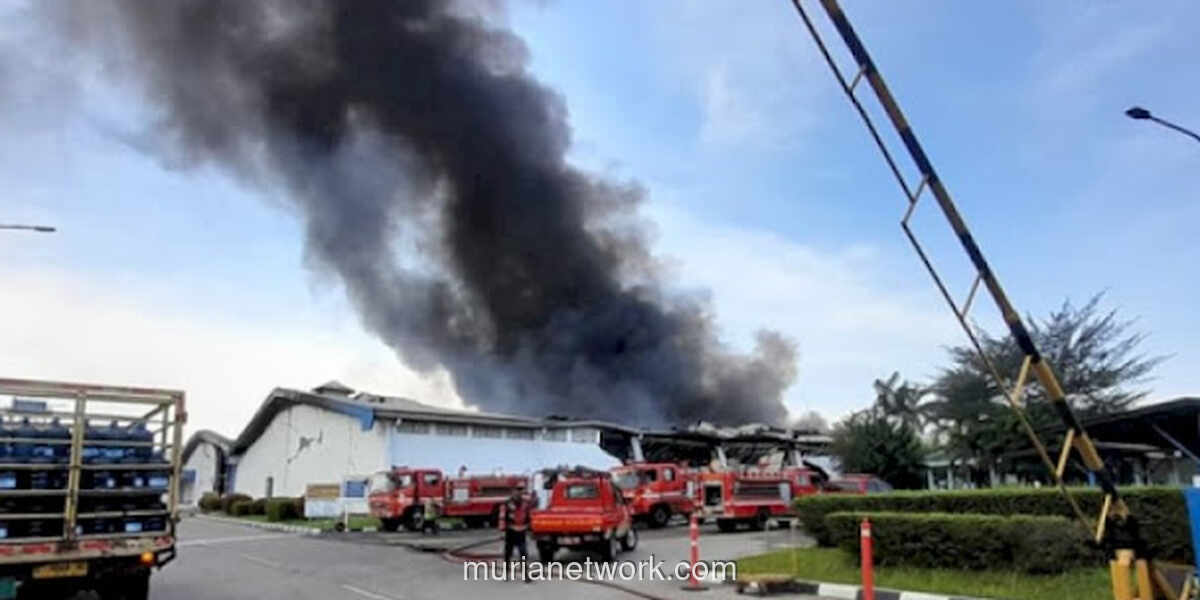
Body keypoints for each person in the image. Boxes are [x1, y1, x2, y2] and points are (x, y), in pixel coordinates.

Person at [498, 491, 532, 582]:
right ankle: (506, 574)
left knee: (523, 554)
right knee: (508, 554)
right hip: (510, 533)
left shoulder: (525, 505)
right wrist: (502, 532)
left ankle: (526, 576)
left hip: (521, 534)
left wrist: (529, 528)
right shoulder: (506, 505)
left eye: (519, 494)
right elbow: (502, 518)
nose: (517, 496)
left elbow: (528, 517)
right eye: (515, 494)